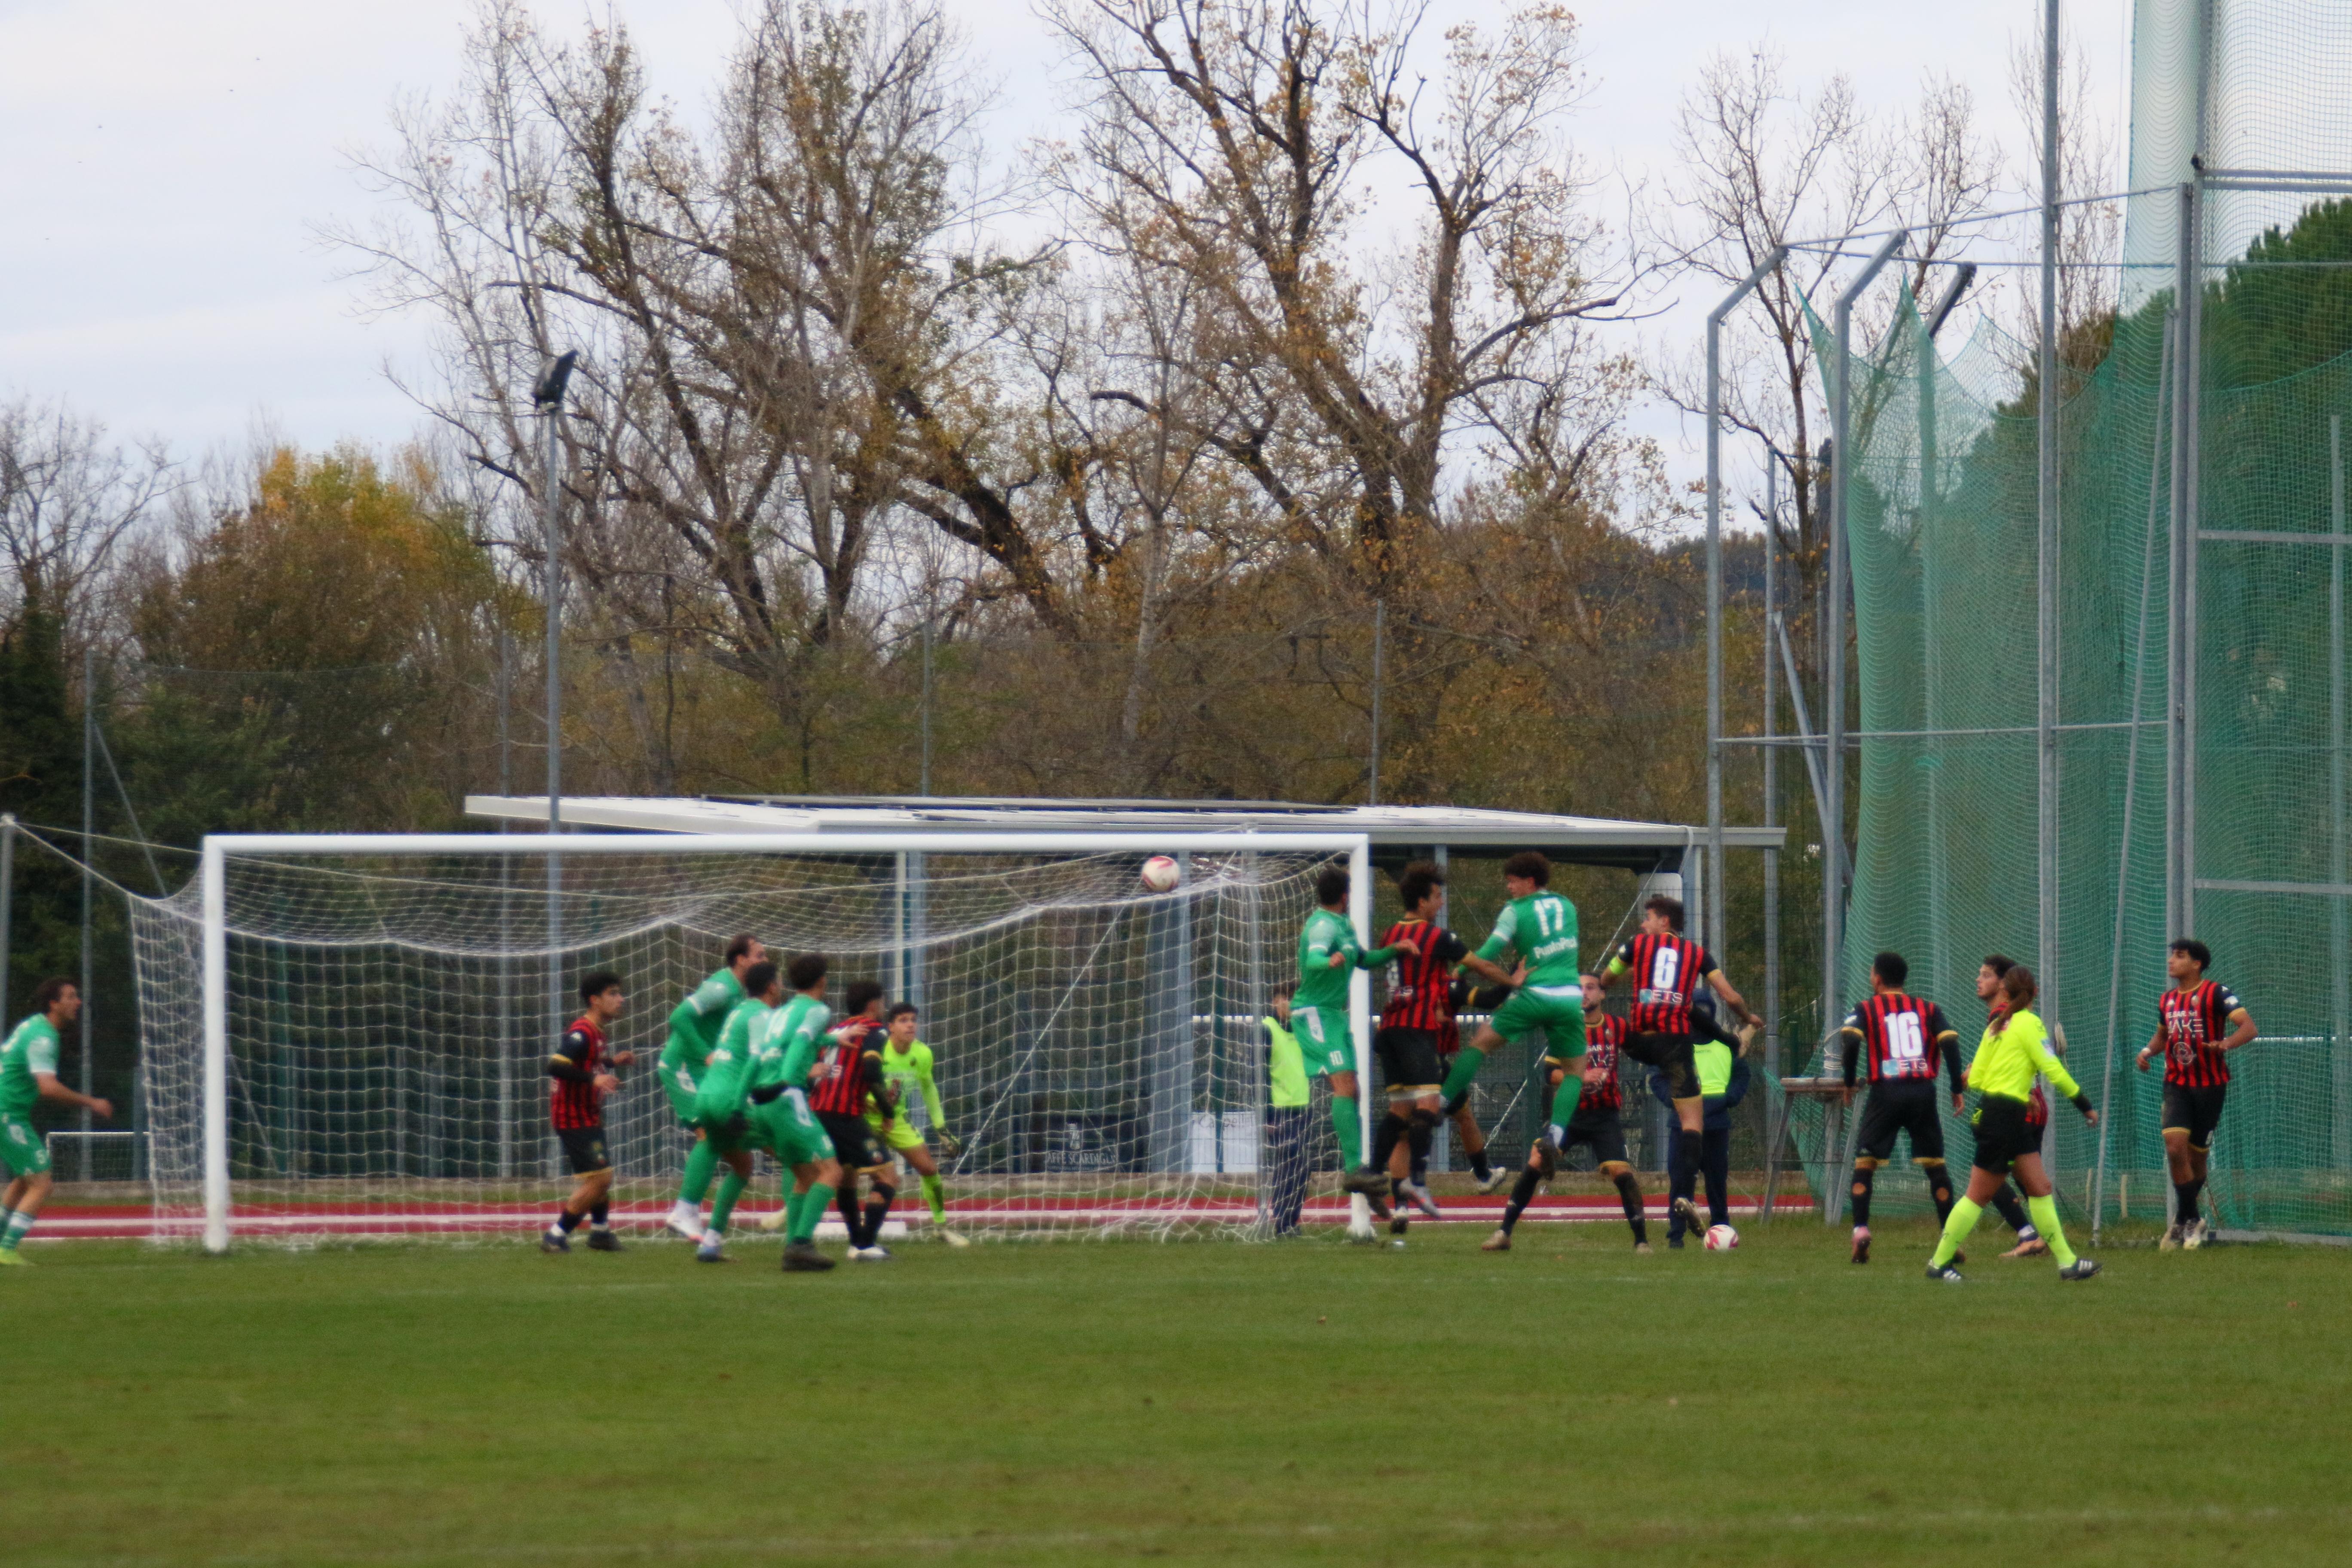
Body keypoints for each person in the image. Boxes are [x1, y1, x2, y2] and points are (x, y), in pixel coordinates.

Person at [1926, 965, 2101, 1282]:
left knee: (2040, 1188)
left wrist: (2016, 1090)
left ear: (2005, 992)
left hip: (1998, 1113)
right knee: (1977, 1196)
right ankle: (1939, 1264)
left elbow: (1976, 1079)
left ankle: (2068, 1264)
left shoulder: (1997, 1025)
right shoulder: (2029, 1023)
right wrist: (2085, 1105)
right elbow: (2053, 1070)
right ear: (2035, 993)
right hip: (2004, 1118)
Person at [1603, 894, 1760, 1234]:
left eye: (1648, 917)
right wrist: (1748, 1018)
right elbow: (1730, 996)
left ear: (1664, 921)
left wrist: (1604, 985)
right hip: (1675, 1045)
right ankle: (1686, 1195)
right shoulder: (1697, 954)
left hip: (1640, 1039)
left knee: (1608, 1030)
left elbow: (1607, 979)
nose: (1643, 924)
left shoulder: (1636, 945)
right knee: (1692, 1124)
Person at [1485, 972, 1649, 1253]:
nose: (1584, 993)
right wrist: (1582, 1077)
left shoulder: (1617, 1026)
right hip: (1569, 1114)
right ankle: (1504, 1232)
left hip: (1604, 1116)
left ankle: (1642, 1242)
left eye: (1591, 988)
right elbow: (1550, 1074)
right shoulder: (1565, 1027)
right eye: (1579, 988)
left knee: (1622, 1174)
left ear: (1602, 994)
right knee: (1536, 1162)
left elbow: (1643, 1051)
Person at [1292, 864, 1417, 1210]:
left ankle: (1362, 1180)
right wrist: (1328, 961)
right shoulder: (1321, 925)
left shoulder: (1345, 925)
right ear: (1346, 896)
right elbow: (1314, 959)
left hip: (1334, 1015)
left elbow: (1363, 959)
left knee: (1354, 1090)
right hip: (1314, 1013)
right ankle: (1352, 1172)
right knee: (1344, 1086)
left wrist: (1396, 949)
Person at [1839, 951, 1962, 1265]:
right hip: (1922, 1092)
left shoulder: (1866, 1008)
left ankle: (1860, 1230)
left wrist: (1849, 1081)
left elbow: (1851, 1040)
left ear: (1878, 979)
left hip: (1886, 1093)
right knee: (1935, 1165)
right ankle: (1950, 1237)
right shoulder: (1929, 1008)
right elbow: (1949, 1041)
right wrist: (1956, 1087)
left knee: (1865, 1162)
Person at [2136, 938, 2257, 1249]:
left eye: (2180, 956)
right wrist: (2148, 1051)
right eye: (2172, 956)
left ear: (2196, 964)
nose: (2171, 961)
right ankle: (2191, 1218)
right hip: (2176, 1083)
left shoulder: (2217, 993)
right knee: (2175, 1147)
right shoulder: (2167, 1000)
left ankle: (2185, 1219)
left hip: (2210, 1087)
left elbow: (2248, 1028)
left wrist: (2226, 1043)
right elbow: (2164, 1036)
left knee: (2197, 1157)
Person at [1372, 860, 1468, 1225]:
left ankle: (1379, 1181)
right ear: (1423, 900)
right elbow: (1476, 964)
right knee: (1431, 1105)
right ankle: (1418, 1181)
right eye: (1438, 896)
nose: (1441, 903)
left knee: (1401, 1114)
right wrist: (1511, 982)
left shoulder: (1389, 934)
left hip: (1390, 1030)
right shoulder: (1435, 939)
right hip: (1417, 1033)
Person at [0, 979, 113, 1266]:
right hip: (6, 1112)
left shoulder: (33, 1025)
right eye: (71, 997)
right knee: (42, 1183)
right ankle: (6, 1250)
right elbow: (48, 1088)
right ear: (54, 1004)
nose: (78, 1002)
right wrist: (92, 1102)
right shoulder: (43, 1037)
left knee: (26, 1179)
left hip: (10, 1111)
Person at [662, 934, 766, 1240]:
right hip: (682, 1065)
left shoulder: (742, 994)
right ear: (741, 960)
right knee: (708, 1134)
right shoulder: (721, 988)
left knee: (743, 1163)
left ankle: (710, 1232)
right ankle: (685, 1211)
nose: (765, 961)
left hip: (705, 1072)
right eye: (759, 955)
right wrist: (706, 1054)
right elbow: (679, 1017)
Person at [747, 954, 845, 1272]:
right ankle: (801, 1244)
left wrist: (835, 1038)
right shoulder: (818, 1010)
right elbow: (803, 1042)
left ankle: (794, 1249)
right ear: (822, 981)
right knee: (832, 1172)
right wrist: (787, 1080)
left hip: (762, 1101)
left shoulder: (781, 1012)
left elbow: (762, 1053)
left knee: (805, 1176)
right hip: (788, 1097)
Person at [686, 960, 782, 1262]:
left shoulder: (739, 1010)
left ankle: (710, 1242)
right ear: (772, 987)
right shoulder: (762, 1015)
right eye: (779, 981)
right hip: (731, 1101)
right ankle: (799, 1241)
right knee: (798, 1156)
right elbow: (759, 1061)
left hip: (706, 1096)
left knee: (742, 1166)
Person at [809, 980, 902, 1261]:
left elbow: (813, 1071)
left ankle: (856, 1244)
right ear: (874, 1004)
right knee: (888, 1176)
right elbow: (872, 1071)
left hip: (819, 1111)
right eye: (882, 1002)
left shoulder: (834, 1031)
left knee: (847, 1178)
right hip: (845, 1115)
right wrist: (888, 1112)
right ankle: (865, 1244)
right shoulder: (875, 1030)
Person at [541, 971, 634, 1253]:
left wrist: (612, 1063)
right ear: (595, 1000)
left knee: (600, 1175)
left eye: (619, 993)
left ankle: (600, 1233)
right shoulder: (582, 1032)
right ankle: (556, 1235)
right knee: (601, 1178)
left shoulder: (597, 1032)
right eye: (613, 994)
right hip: (573, 1116)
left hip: (586, 1114)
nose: (621, 999)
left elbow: (589, 1061)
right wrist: (594, 1079)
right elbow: (555, 1065)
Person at [1654, 995, 1750, 1247]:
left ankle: (1721, 1229)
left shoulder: (1726, 1046)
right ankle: (1676, 1236)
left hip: (1716, 1125)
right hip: (1683, 1126)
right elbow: (1658, 1079)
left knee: (1717, 1182)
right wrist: (1674, 1100)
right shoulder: (1675, 1046)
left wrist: (1729, 1098)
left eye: (1705, 1012)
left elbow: (1742, 1074)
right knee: (1680, 1180)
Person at [1971, 955, 2049, 1259]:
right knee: (2029, 1180)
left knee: (1989, 1176)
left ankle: (2030, 1235)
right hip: (2032, 1104)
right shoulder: (2017, 1017)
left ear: (2004, 984)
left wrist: (1972, 1074)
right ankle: (2044, 1239)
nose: (1979, 980)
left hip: (2017, 1106)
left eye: (1986, 975)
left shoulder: (2002, 1017)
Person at [869, 1003, 966, 1246]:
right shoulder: (878, 1051)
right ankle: (864, 1236)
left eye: (913, 1020)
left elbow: (929, 1089)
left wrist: (941, 1128)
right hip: (866, 1119)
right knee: (870, 1176)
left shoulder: (922, 1054)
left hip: (897, 1120)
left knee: (929, 1169)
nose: (910, 1025)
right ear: (891, 1027)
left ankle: (941, 1227)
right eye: (903, 1020)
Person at [1261, 989, 1313, 1237]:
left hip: (1303, 1107)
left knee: (1302, 1168)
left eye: (1296, 999)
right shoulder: (1267, 1029)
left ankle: (1291, 1221)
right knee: (1290, 1164)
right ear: (1276, 1001)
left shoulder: (1301, 1029)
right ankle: (1283, 1222)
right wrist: (1267, 1116)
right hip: (1280, 1110)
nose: (1292, 1004)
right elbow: (1259, 1075)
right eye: (1287, 998)